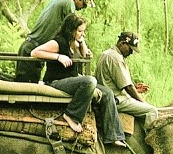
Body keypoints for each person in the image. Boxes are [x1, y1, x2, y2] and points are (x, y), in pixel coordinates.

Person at [30, 13, 126, 147]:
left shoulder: (74, 43)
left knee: (107, 93)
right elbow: (34, 52)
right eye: (80, 31)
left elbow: (84, 54)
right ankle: (72, 115)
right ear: (71, 30)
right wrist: (58, 57)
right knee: (90, 81)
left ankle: (114, 135)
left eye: (83, 31)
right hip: (56, 81)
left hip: (71, 80)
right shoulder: (58, 42)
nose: (83, 34)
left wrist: (82, 41)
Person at [14, 0, 96, 83]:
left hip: (29, 45)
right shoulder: (69, 3)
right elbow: (73, 29)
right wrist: (82, 47)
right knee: (26, 86)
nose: (84, 7)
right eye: (84, 4)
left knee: (23, 83)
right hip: (33, 49)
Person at [95, 31, 159, 129]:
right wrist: (143, 102)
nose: (131, 52)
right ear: (122, 43)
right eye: (130, 49)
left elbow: (111, 81)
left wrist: (135, 88)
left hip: (105, 96)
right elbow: (128, 87)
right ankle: (151, 138)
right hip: (116, 100)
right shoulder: (116, 58)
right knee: (152, 111)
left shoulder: (105, 53)